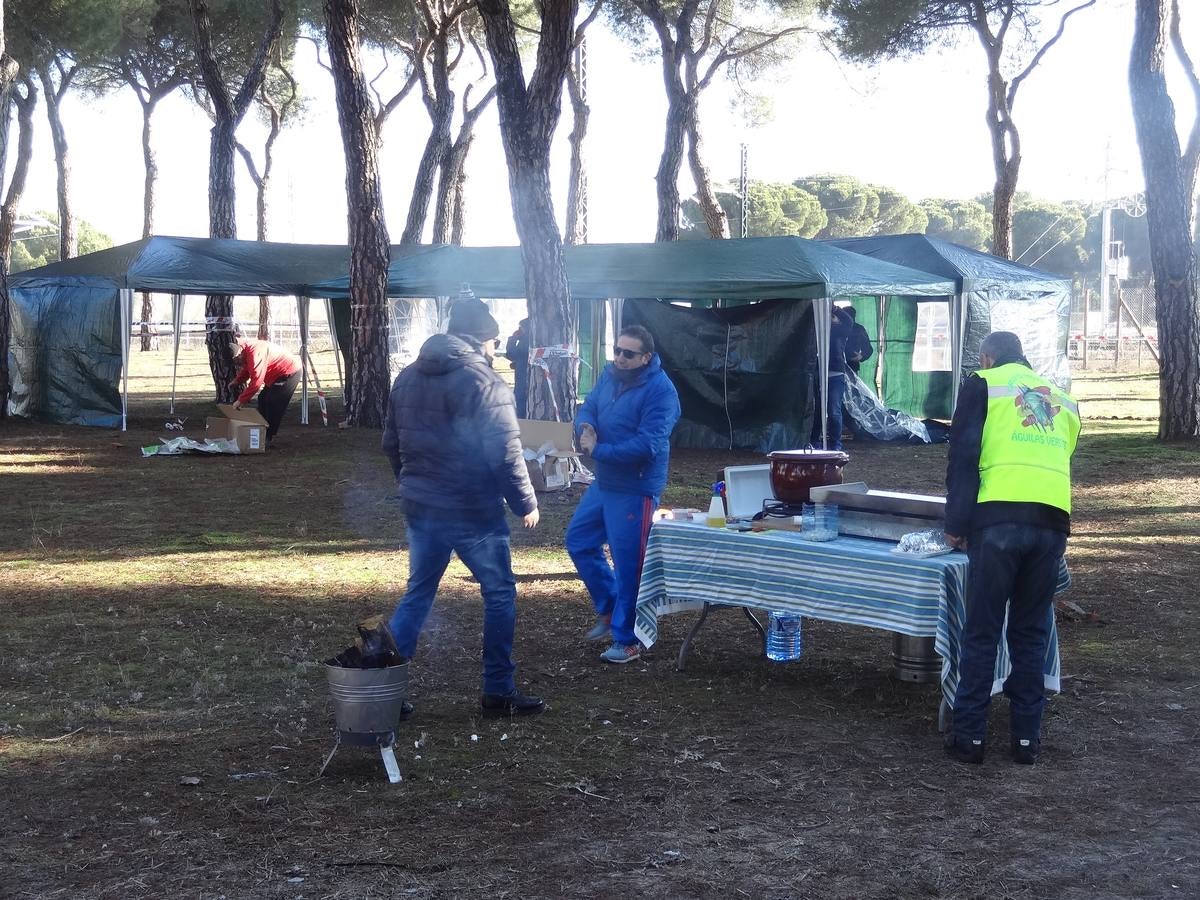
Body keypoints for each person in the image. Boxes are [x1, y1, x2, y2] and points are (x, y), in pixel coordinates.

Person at [381, 298, 544, 717]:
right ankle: (497, 691)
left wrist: (411, 482)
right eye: (493, 340)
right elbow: (506, 452)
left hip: (422, 506)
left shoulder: (407, 376)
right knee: (499, 594)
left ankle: (382, 690)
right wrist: (524, 501)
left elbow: (391, 443)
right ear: (484, 339)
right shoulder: (484, 382)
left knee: (418, 593)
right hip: (474, 510)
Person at [942, 331, 1080, 765]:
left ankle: (969, 738)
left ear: (987, 355)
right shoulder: (1063, 397)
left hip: (997, 520)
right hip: (1052, 521)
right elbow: (1061, 456)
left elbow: (963, 456)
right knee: (1030, 631)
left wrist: (956, 524)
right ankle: (1026, 740)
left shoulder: (982, 383)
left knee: (982, 629)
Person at [566, 324, 681, 664]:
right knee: (579, 540)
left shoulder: (662, 391)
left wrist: (598, 450)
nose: (619, 358)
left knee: (629, 564)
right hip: (605, 482)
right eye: (616, 351)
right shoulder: (610, 375)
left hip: (635, 487)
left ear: (646, 357)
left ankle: (628, 638)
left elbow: (648, 444)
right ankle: (609, 606)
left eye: (628, 354)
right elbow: (589, 407)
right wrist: (585, 426)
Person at [228, 336, 302, 446]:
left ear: (239, 353)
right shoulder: (247, 351)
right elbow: (248, 369)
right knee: (262, 398)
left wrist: (241, 401)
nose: (237, 364)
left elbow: (256, 381)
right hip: (275, 376)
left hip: (289, 372)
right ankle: (260, 432)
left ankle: (268, 436)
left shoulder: (255, 353)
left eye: (237, 361)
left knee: (272, 401)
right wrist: (237, 381)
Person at [809, 304, 853, 450]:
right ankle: (814, 441)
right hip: (819, 374)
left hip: (835, 375)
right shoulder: (816, 330)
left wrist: (835, 309)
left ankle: (835, 444)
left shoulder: (838, 330)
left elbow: (848, 322)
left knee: (833, 410)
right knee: (818, 411)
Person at [505, 317, 531, 418]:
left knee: (520, 401)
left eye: (521, 327)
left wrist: (512, 339)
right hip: (522, 373)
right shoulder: (526, 339)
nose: (519, 330)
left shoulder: (525, 340)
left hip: (523, 376)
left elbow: (511, 354)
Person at [844, 307, 874, 375]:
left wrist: (861, 356)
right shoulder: (836, 327)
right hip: (835, 367)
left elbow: (868, 349)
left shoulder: (858, 329)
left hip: (852, 366)